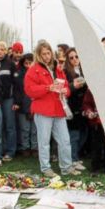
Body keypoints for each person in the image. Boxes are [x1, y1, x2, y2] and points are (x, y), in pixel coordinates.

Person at [24, 40, 77, 177]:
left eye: (48, 53)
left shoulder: (57, 69)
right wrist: (48, 88)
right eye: (44, 54)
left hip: (58, 109)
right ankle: (46, 168)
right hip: (43, 110)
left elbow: (66, 85)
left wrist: (66, 90)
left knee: (65, 140)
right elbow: (29, 90)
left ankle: (67, 167)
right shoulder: (33, 70)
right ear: (38, 55)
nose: (47, 56)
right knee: (44, 141)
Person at [0, 41, 18, 162]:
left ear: (6, 51)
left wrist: (16, 101)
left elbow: (16, 84)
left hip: (8, 99)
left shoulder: (11, 64)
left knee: (10, 126)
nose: (0, 51)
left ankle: (11, 151)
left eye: (2, 49)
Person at [64, 48, 89, 168]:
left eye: (76, 56)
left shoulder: (84, 69)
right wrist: (74, 85)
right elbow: (66, 88)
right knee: (74, 135)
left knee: (84, 133)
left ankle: (75, 156)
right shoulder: (66, 71)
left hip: (84, 105)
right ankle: (73, 159)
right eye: (71, 57)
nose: (74, 59)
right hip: (72, 105)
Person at [14, 53, 36, 158]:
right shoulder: (19, 75)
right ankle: (25, 148)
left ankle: (35, 148)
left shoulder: (37, 73)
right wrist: (18, 103)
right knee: (25, 129)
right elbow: (18, 91)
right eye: (26, 63)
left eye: (30, 63)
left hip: (35, 105)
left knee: (35, 129)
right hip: (23, 105)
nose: (28, 65)